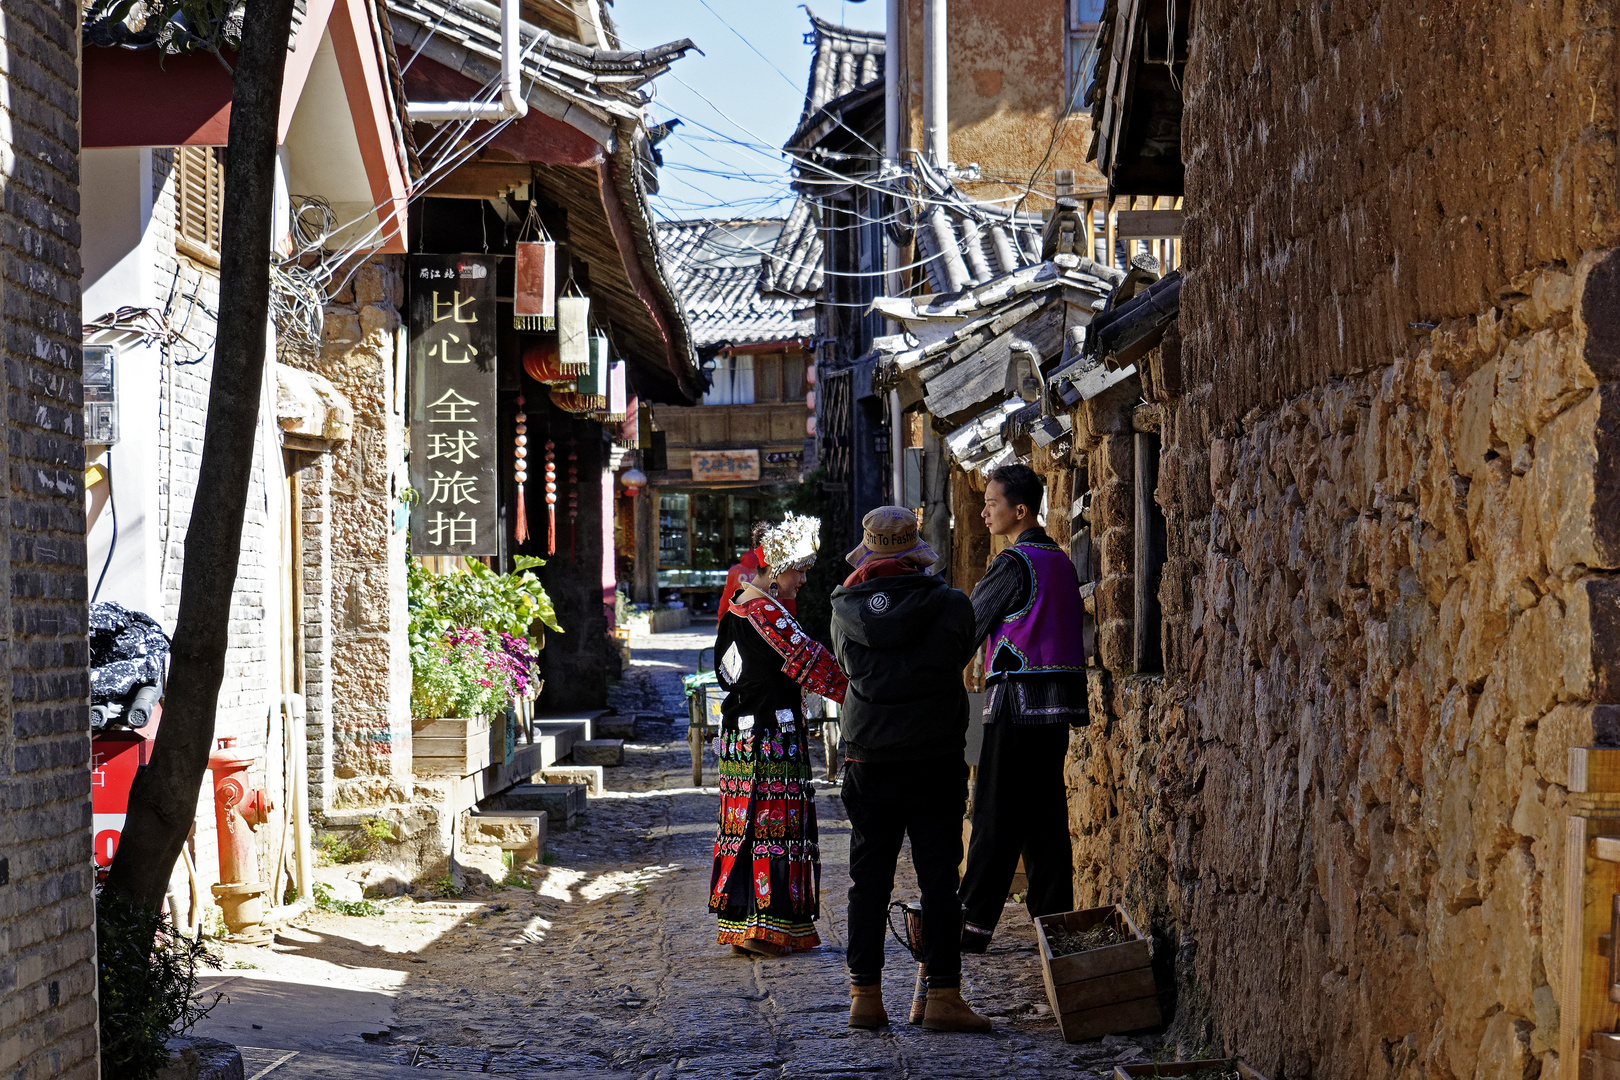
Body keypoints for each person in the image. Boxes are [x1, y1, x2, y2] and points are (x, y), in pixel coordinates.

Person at [831, 506, 992, 1033]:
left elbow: (846, 668)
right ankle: (942, 995)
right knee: (940, 882)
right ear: (914, 549)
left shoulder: (845, 606)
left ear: (869, 548)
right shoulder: (950, 605)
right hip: (933, 757)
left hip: (868, 757)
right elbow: (958, 658)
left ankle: (865, 997)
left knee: (867, 882)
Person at [960, 463, 1087, 956]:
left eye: (992, 503)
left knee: (994, 814)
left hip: (1014, 704)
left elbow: (968, 625)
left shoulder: (1014, 564)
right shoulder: (1060, 561)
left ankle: (970, 925)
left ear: (1020, 509)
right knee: (1044, 818)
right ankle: (1055, 924)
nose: (985, 511)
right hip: (1055, 711)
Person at [709, 513, 848, 956]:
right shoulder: (767, 612)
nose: (804, 578)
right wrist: (867, 695)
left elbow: (728, 673)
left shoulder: (737, 605)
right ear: (780, 565)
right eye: (800, 568)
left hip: (741, 735)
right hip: (771, 737)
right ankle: (766, 929)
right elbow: (813, 663)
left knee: (745, 826)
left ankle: (743, 925)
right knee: (772, 826)